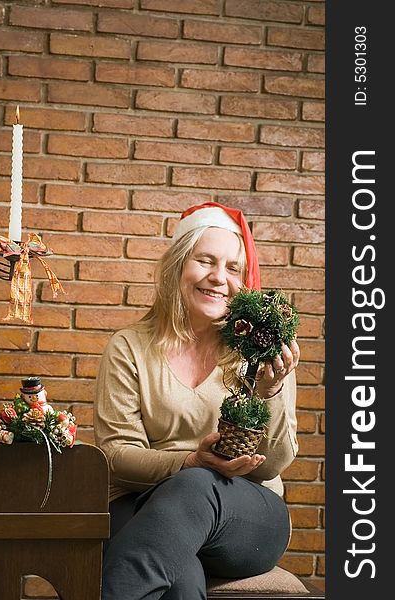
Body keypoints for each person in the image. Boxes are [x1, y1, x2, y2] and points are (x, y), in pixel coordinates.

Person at [94, 201, 300, 600]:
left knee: (196, 486)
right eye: (204, 261)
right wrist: (189, 461)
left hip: (244, 514)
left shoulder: (261, 349)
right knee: (179, 576)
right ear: (177, 267)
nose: (218, 278)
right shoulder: (129, 347)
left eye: (233, 268)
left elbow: (274, 464)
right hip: (141, 502)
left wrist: (268, 393)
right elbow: (116, 455)